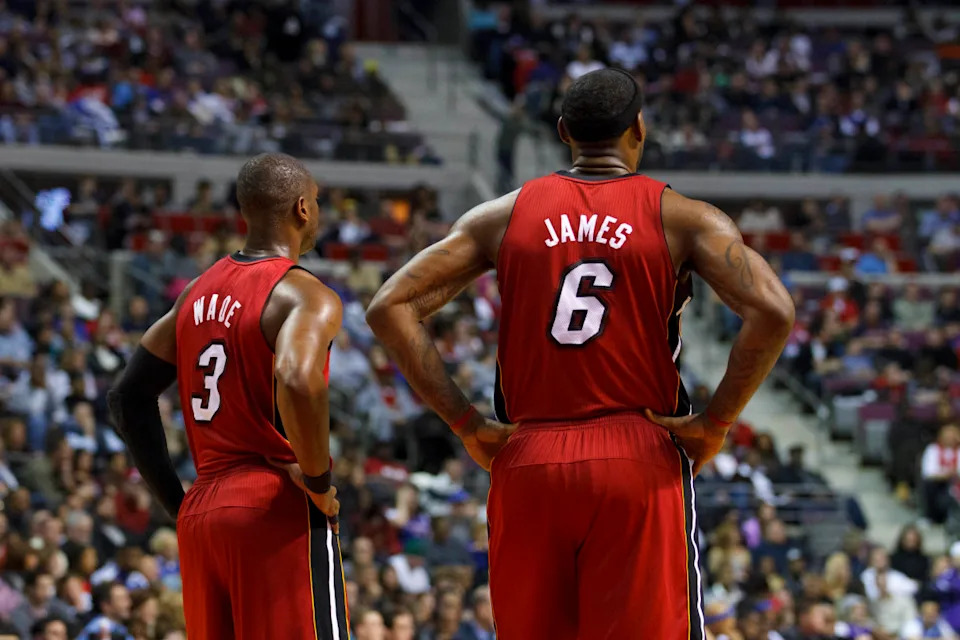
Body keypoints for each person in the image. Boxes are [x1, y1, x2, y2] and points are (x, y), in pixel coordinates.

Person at [366, 68, 794, 639]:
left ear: (564, 132)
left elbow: (388, 306)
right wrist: (715, 423)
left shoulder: (501, 216)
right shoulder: (685, 217)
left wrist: (467, 424)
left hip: (528, 460)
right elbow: (774, 310)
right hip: (635, 455)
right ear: (639, 129)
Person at [107, 153, 348, 639]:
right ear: (303, 208)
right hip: (270, 503)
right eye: (318, 202)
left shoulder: (195, 293)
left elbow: (127, 397)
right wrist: (319, 483)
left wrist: (180, 507)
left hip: (203, 512)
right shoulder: (303, 293)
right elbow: (299, 379)